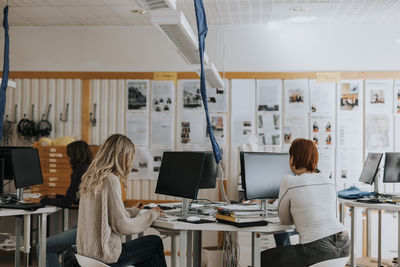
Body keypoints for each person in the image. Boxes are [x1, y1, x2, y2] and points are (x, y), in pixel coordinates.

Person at [76, 134, 166, 267]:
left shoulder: (90, 177)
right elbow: (122, 226)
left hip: (87, 254)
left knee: (146, 254)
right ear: (122, 157)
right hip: (106, 256)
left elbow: (107, 215)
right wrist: (151, 214)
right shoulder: (111, 180)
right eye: (130, 157)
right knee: (155, 242)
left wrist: (134, 211)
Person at [261, 138, 349, 267]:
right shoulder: (328, 181)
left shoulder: (288, 181)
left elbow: (285, 220)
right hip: (344, 246)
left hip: (317, 251)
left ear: (292, 159)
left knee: (261, 259)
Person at [32, 140, 93, 267]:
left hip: (88, 228)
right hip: (90, 225)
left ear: (75, 155)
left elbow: (67, 203)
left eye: (69, 155)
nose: (67, 158)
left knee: (44, 247)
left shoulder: (80, 170)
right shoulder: (89, 168)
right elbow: (77, 198)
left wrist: (42, 200)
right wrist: (56, 196)